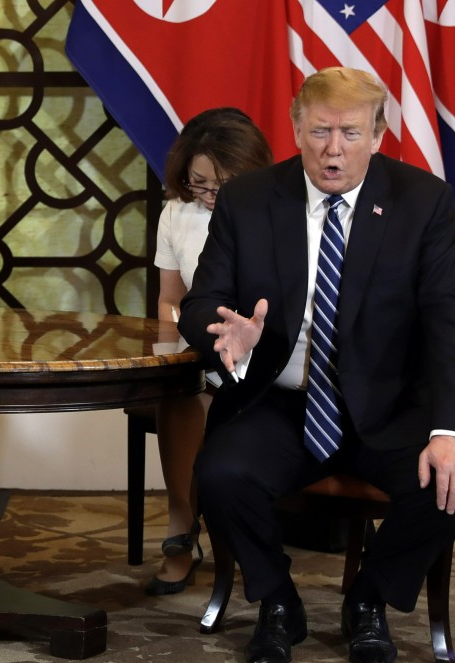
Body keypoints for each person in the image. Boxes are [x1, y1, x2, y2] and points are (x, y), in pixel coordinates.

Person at [178, 66, 455, 663]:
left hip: (387, 407)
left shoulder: (422, 202)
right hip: (281, 401)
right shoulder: (250, 198)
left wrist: (450, 431)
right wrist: (230, 332)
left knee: (452, 481)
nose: (334, 150)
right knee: (222, 473)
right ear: (296, 128)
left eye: (351, 134)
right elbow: (202, 302)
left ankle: (369, 601)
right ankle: (278, 601)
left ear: (379, 135)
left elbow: (449, 323)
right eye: (320, 131)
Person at [147, 108, 273, 596]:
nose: (211, 195)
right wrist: (176, 349)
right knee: (178, 389)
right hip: (201, 345)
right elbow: (169, 300)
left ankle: (238, 531)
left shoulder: (278, 210)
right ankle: (182, 527)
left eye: (224, 184)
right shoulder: (177, 213)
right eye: (200, 183)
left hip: (262, 350)